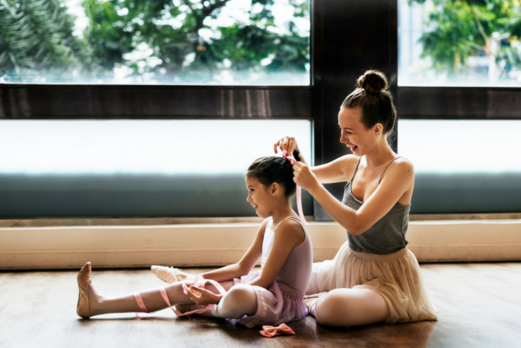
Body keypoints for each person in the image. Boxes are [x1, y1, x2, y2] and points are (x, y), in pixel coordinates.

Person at [273, 70, 438, 327]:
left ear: (376, 129)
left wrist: (313, 186)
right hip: (347, 262)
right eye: (341, 130)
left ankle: (306, 303)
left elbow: (358, 223)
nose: (342, 139)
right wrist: (292, 152)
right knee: (281, 277)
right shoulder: (353, 164)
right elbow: (305, 175)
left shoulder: (401, 169)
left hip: (387, 278)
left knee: (332, 308)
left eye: (349, 131)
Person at [76, 152, 313, 329]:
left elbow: (264, 280)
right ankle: (98, 304)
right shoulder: (268, 224)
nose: (248, 198)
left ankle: (203, 310)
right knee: (187, 288)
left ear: (273, 189)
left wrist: (217, 297)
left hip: (281, 303)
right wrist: (199, 279)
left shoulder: (289, 227)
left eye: (252, 189)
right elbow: (242, 267)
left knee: (237, 295)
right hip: (263, 290)